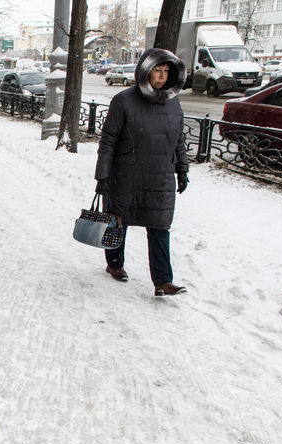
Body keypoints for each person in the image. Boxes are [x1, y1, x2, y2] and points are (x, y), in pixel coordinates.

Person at [93, 48, 190, 297]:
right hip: (125, 174)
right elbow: (109, 141)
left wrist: (182, 169)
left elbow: (178, 140)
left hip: (160, 175)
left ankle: (163, 281)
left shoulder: (173, 102)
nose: (162, 76)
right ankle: (114, 263)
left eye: (166, 71)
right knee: (119, 220)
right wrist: (102, 176)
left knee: (160, 226)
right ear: (145, 71)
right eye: (157, 70)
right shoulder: (123, 101)